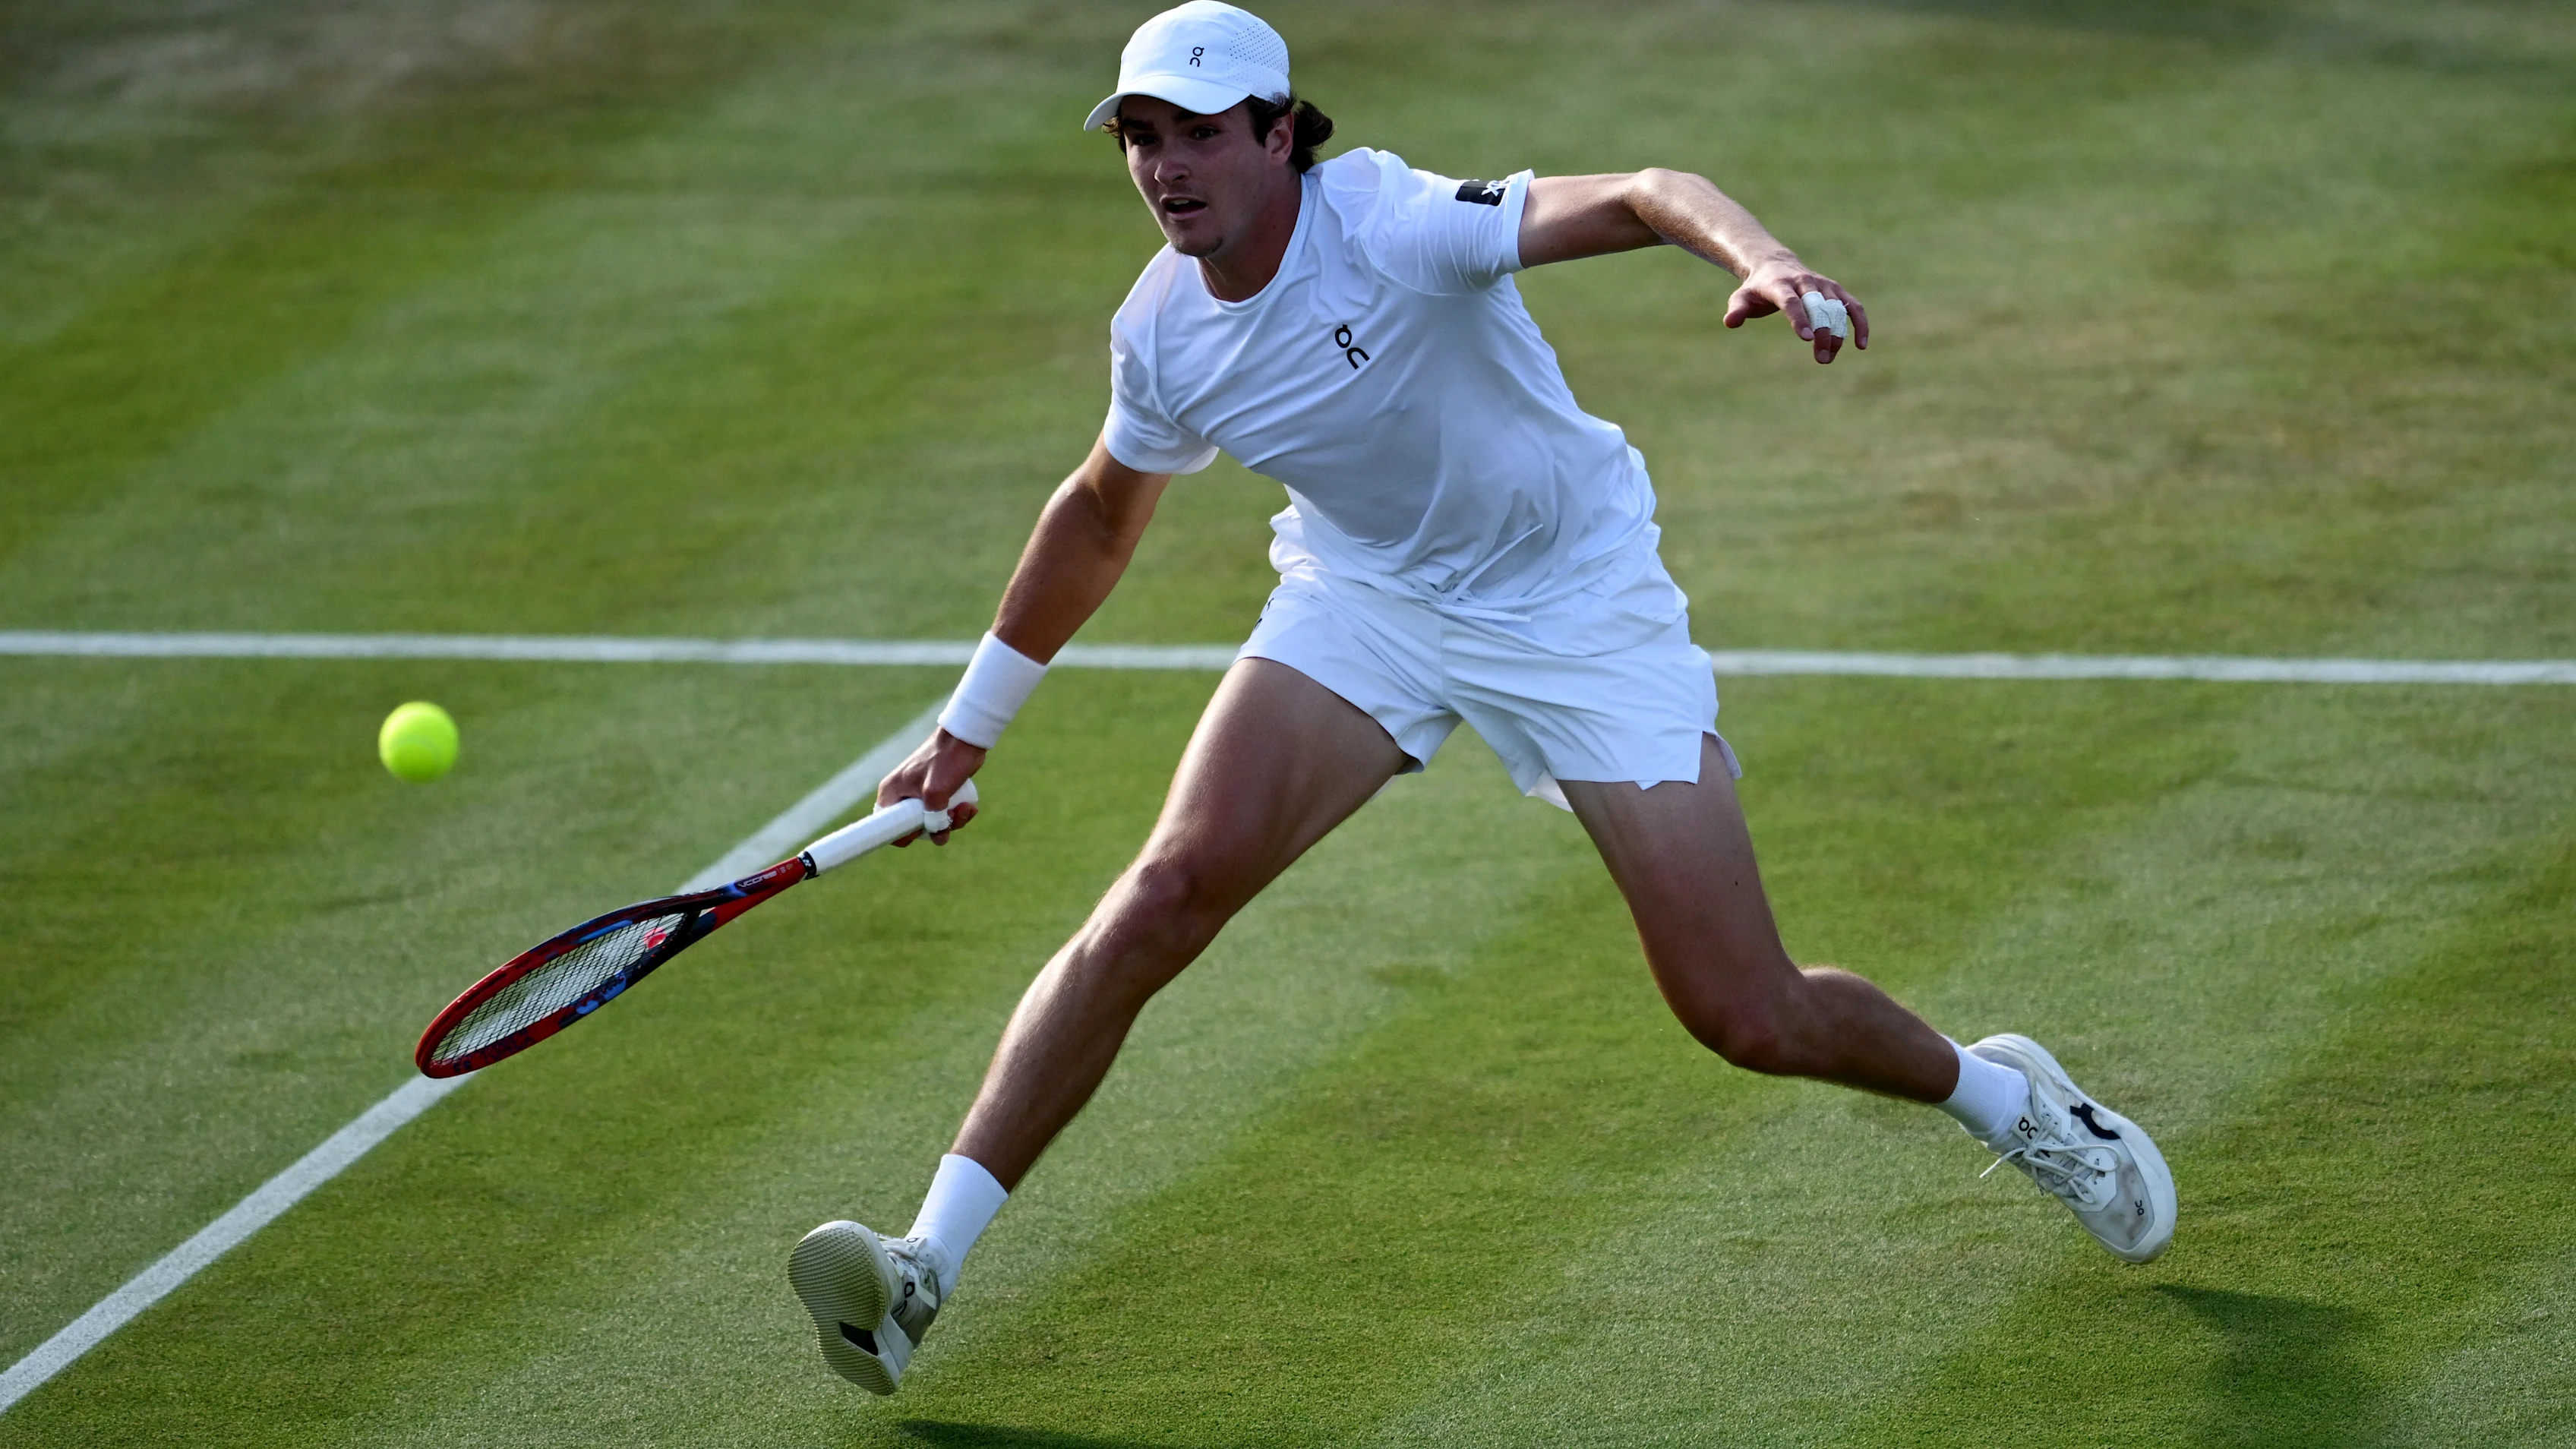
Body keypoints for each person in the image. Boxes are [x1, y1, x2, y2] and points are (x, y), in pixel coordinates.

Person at [788, 0, 2176, 1396]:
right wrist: (963, 734)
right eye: (1141, 138)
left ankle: (2007, 1098)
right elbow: (1098, 519)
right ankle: (924, 1268)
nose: (1166, 166)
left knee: (1746, 1013)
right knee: (1162, 894)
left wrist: (1769, 261)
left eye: (1199, 134)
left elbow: (1644, 195)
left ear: (1280, 135)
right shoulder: (1160, 334)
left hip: (1576, 606)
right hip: (1370, 603)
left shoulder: (1389, 220)